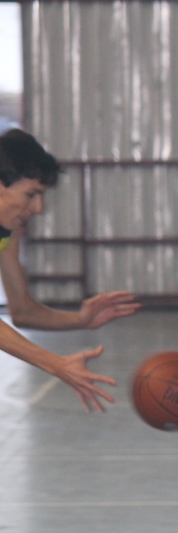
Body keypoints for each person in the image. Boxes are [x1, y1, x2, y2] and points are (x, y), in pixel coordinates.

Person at [0, 129, 140, 411]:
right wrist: (56, 364)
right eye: (31, 194)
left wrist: (79, 319)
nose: (39, 208)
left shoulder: (7, 231)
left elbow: (23, 311)